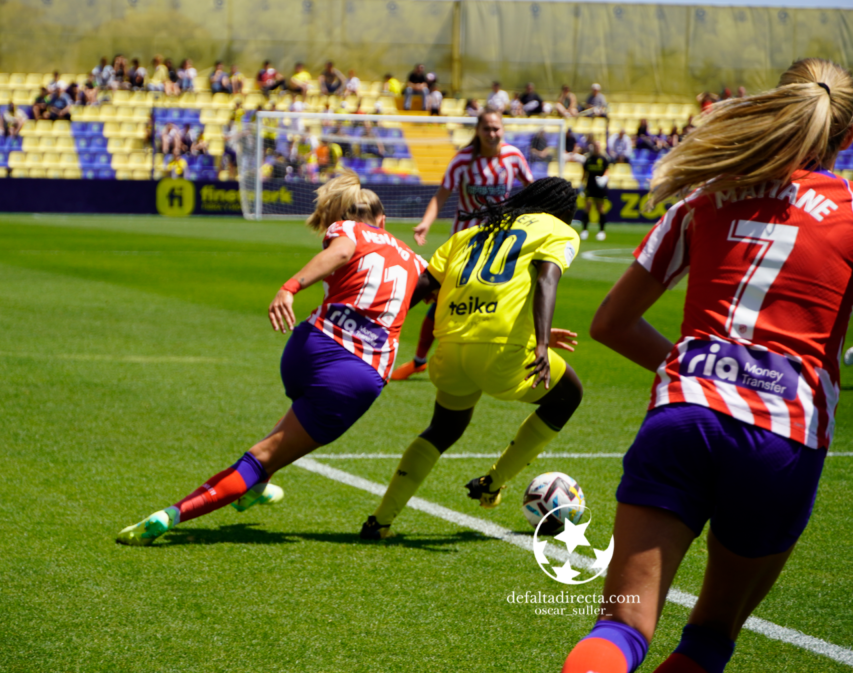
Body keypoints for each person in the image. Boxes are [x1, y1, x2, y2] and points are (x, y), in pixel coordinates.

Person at [560, 57, 853, 673]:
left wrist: (701, 372)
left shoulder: (705, 194)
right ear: (846, 137)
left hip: (684, 413)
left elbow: (610, 323)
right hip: (783, 435)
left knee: (619, 626)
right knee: (710, 638)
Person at [116, 172, 429, 546]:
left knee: (290, 424)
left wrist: (290, 288)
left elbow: (343, 254)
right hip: (355, 376)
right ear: (383, 221)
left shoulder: (347, 228)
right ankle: (172, 515)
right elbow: (425, 292)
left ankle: (259, 484)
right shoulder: (414, 258)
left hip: (307, 348)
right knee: (261, 458)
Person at [361, 178, 584, 539]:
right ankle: (492, 482)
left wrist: (382, 328)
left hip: (448, 350)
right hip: (501, 357)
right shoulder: (558, 230)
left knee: (444, 428)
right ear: (563, 211)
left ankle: (380, 520)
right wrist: (541, 344)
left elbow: (423, 287)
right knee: (568, 395)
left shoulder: (469, 233)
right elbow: (546, 281)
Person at [391, 106, 534, 381]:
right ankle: (420, 360)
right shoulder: (464, 160)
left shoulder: (513, 156)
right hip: (463, 244)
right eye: (487, 128)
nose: (492, 133)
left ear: (502, 130)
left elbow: (533, 188)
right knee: (441, 299)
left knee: (500, 298)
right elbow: (441, 195)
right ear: (478, 131)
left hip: (500, 243)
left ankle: (505, 356)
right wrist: (426, 222)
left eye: (496, 128)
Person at [580, 139, 610, 241]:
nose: (597, 148)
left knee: (600, 208)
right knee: (587, 207)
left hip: (600, 188)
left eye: (598, 146)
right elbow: (584, 174)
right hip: (590, 186)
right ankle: (584, 230)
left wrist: (604, 179)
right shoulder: (588, 159)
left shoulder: (603, 159)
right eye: (595, 146)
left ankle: (601, 231)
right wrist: (581, 185)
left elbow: (607, 171)